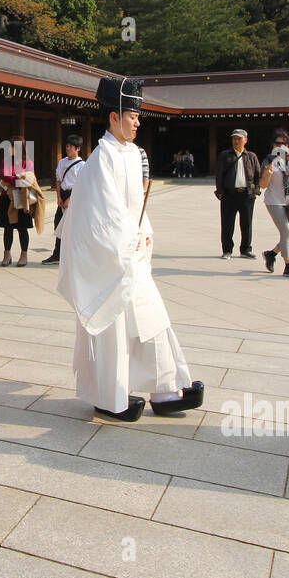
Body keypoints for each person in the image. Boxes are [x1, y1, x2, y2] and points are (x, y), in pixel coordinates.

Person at [57, 77, 203, 422]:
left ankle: (165, 389)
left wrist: (143, 231)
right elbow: (101, 212)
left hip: (131, 251)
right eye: (133, 116)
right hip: (114, 257)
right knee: (116, 327)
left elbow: (135, 205)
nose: (138, 122)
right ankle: (110, 395)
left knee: (151, 319)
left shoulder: (132, 153)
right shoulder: (101, 158)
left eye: (138, 117)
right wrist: (127, 240)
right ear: (114, 117)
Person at [260, 128, 289, 279]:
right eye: (277, 143)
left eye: (284, 144)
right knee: (285, 233)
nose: (280, 146)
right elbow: (262, 185)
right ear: (273, 145)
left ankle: (271, 254)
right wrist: (268, 173)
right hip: (274, 201)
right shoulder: (269, 160)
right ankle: (288, 265)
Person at [0, 134, 43, 267]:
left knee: (22, 228)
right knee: (7, 228)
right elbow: (4, 175)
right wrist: (18, 178)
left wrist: (14, 178)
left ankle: (24, 254)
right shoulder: (6, 160)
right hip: (7, 197)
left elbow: (29, 179)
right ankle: (7, 254)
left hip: (23, 199)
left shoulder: (28, 162)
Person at [214, 128, 260, 260]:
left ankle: (246, 249)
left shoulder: (251, 156)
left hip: (247, 195)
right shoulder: (225, 155)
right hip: (229, 194)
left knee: (247, 224)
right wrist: (220, 192)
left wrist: (256, 190)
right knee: (227, 223)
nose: (236, 141)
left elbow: (257, 174)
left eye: (239, 138)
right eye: (234, 138)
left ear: (245, 140)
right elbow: (219, 175)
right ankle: (227, 250)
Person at [43, 134, 85, 264]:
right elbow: (58, 180)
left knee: (73, 227)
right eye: (67, 146)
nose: (68, 148)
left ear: (77, 149)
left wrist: (70, 199)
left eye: (71, 146)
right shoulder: (62, 162)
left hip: (74, 196)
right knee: (59, 225)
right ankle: (57, 254)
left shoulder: (82, 165)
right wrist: (59, 196)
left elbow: (81, 185)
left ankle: (76, 255)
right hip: (63, 194)